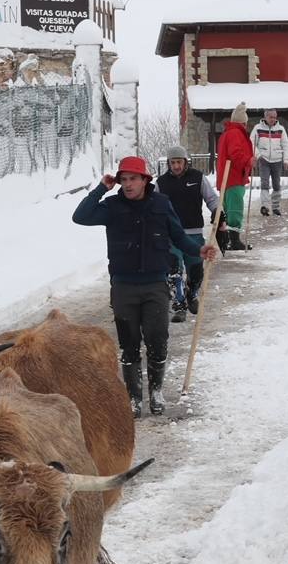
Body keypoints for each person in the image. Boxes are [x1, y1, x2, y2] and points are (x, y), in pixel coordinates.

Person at [72, 155, 219, 418]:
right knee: (129, 344)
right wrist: (101, 188)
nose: (127, 185)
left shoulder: (161, 204)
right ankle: (134, 398)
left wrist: (199, 248)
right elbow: (80, 217)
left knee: (157, 340)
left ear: (144, 180)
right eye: (123, 180)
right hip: (124, 286)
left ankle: (156, 392)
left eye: (132, 179)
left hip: (155, 286)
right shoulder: (112, 205)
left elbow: (178, 236)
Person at [155, 145, 226, 323]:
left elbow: (211, 198)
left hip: (193, 233)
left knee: (196, 272)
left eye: (179, 162)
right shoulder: (161, 183)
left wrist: (218, 211)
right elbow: (153, 205)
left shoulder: (197, 178)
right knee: (173, 271)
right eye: (173, 162)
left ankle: (191, 294)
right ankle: (179, 305)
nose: (176, 166)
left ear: (186, 162)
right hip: (171, 235)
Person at [216, 101, 254, 251]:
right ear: (242, 122)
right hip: (233, 177)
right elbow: (236, 154)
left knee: (228, 208)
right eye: (246, 123)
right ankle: (234, 240)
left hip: (227, 178)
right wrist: (248, 160)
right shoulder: (235, 133)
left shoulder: (228, 133)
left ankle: (228, 239)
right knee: (235, 209)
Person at [251, 108, 288, 216]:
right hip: (264, 160)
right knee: (264, 183)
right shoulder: (257, 128)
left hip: (277, 160)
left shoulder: (281, 129)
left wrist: (286, 160)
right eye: (271, 117)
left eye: (275, 117)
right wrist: (258, 156)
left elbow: (286, 145)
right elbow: (252, 143)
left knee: (276, 184)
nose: (273, 119)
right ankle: (264, 206)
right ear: (265, 117)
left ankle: (275, 207)